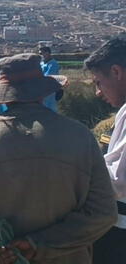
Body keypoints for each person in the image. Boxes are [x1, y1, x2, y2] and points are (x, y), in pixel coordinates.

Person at [0, 53, 117, 264]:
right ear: (43, 93)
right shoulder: (80, 137)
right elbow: (103, 213)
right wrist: (38, 243)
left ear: (4, 93)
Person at [84, 34, 126, 264]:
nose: (98, 92)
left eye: (98, 82)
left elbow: (119, 181)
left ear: (117, 72)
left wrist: (78, 172)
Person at [39, 46, 61, 112]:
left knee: (50, 106)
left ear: (48, 53)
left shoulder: (53, 64)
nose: (41, 55)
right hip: (42, 89)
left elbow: (48, 76)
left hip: (50, 88)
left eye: (42, 53)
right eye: (40, 54)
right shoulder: (41, 63)